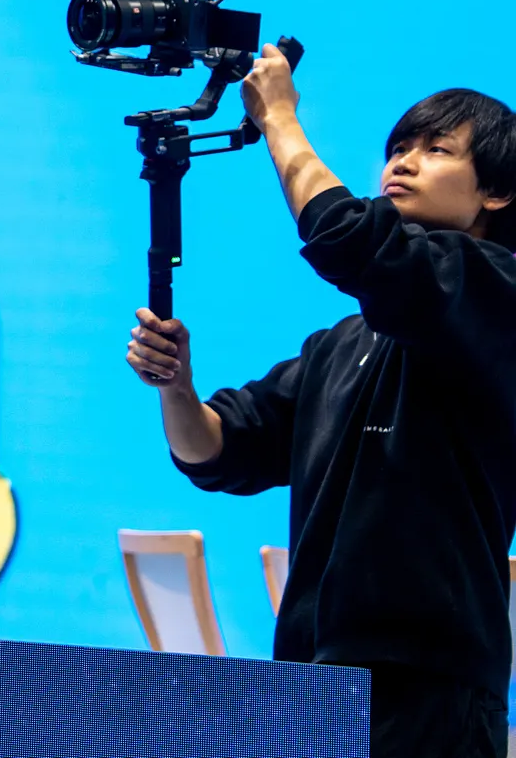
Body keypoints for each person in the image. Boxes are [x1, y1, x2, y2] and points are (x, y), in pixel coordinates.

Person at [125, 45, 516, 758]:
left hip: (430, 690)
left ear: (497, 192)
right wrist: (176, 386)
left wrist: (279, 118)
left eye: (436, 150)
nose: (403, 163)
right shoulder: (343, 342)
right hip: (312, 683)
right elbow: (216, 449)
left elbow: (351, 238)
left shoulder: (497, 295)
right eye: (397, 148)